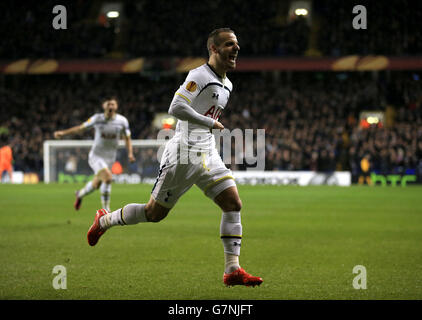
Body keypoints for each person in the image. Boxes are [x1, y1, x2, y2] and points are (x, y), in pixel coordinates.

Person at [87, 28, 263, 287]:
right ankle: (104, 219)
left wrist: (208, 127)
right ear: (213, 49)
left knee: (233, 203)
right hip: (182, 154)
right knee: (154, 213)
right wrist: (208, 122)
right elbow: (176, 107)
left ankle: (232, 270)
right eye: (228, 44)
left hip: (207, 152)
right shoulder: (199, 75)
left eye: (236, 44)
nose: (235, 49)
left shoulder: (228, 84)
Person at [54, 97, 135, 212]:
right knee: (107, 178)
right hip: (96, 156)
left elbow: (127, 138)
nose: (110, 107)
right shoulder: (97, 119)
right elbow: (80, 128)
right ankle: (106, 211)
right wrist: (63, 133)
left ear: (116, 106)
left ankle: (80, 194)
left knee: (96, 185)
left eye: (113, 104)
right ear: (104, 106)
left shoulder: (122, 121)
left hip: (110, 158)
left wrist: (130, 153)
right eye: (108, 104)